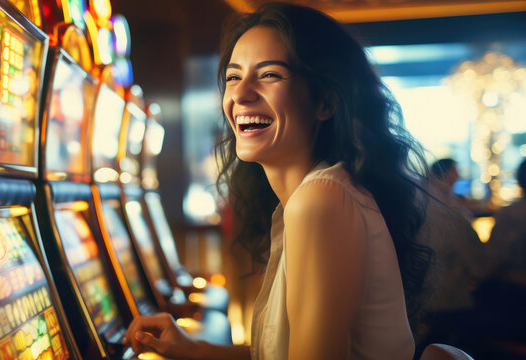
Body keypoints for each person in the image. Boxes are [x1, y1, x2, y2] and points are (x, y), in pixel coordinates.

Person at [124, 3, 433, 359]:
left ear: (325, 103)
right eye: (233, 77)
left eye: (269, 75)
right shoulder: (316, 195)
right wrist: (192, 348)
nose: (240, 95)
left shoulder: (320, 200)